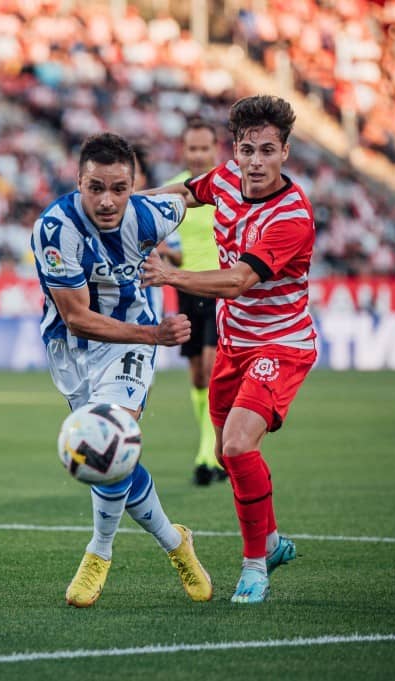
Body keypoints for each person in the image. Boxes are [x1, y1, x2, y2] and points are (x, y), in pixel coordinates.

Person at [140, 95, 313, 605]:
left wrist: (170, 275)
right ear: (234, 151)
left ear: (285, 152)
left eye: (266, 151)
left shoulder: (291, 215)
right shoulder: (223, 180)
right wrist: (127, 201)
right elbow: (183, 192)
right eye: (246, 150)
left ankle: (254, 566)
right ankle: (274, 541)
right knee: (226, 453)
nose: (255, 162)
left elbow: (238, 281)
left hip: (279, 343)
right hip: (234, 342)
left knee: (237, 445)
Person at [30, 132, 213, 608]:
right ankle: (176, 541)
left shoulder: (149, 214)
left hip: (128, 343)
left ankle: (99, 551)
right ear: (78, 182)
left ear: (133, 185)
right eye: (96, 188)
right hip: (75, 346)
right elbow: (76, 316)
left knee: (107, 435)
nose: (108, 201)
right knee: (109, 458)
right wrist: (157, 335)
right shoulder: (55, 230)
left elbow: (190, 193)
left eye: (119, 187)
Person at [163, 119, 224, 486]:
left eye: (205, 148)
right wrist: (165, 254)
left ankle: (209, 455)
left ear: (215, 149)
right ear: (184, 150)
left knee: (214, 370)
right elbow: (162, 240)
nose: (199, 155)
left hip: (220, 288)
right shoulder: (176, 189)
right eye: (193, 149)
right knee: (199, 375)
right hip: (186, 288)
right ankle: (212, 447)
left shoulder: (228, 188)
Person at [132, 143, 182, 319]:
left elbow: (179, 257)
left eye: (134, 173)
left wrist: (164, 250)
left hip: (150, 313)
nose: (128, 179)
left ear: (143, 178)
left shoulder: (158, 215)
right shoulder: (103, 217)